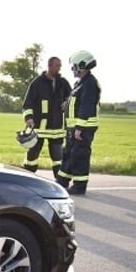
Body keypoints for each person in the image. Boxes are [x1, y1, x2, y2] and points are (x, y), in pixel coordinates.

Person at [57, 51, 101, 195]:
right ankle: (62, 182)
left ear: (82, 65)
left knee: (79, 156)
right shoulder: (81, 84)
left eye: (74, 66)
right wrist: (67, 104)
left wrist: (79, 128)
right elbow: (77, 103)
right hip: (74, 128)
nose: (72, 69)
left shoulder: (89, 84)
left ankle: (79, 186)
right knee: (69, 154)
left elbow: (86, 107)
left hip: (83, 129)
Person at [21, 56, 72, 179]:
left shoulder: (63, 83)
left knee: (57, 158)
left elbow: (72, 96)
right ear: (49, 66)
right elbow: (28, 103)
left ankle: (59, 181)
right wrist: (28, 117)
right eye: (57, 65)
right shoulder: (37, 82)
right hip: (39, 127)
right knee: (32, 156)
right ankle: (28, 178)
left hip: (56, 128)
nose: (59, 68)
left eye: (60, 65)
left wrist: (67, 102)